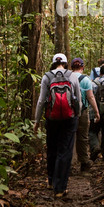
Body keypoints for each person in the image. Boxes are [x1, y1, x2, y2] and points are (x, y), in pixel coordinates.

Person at [33, 53, 82, 198]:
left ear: (53, 63)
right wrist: (77, 115)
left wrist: (36, 121)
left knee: (52, 148)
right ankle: (60, 188)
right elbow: (78, 99)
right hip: (69, 118)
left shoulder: (47, 77)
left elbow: (41, 101)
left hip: (51, 118)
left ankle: (51, 181)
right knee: (65, 151)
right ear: (66, 63)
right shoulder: (72, 76)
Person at [71, 57, 100, 174]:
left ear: (72, 67)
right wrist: (96, 112)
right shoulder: (86, 79)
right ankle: (83, 163)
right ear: (82, 67)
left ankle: (69, 165)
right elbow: (90, 97)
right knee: (82, 138)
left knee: (70, 138)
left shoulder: (68, 77)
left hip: (69, 113)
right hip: (82, 112)